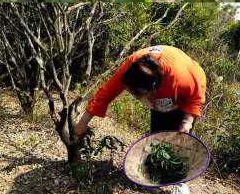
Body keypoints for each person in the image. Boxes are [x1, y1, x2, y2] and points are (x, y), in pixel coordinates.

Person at [75, 45, 207, 194]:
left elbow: (195, 98)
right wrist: (83, 122)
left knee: (180, 141)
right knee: (158, 138)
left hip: (184, 96)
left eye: (137, 95)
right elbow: (105, 93)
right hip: (159, 95)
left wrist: (187, 122)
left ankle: (179, 180)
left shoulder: (181, 77)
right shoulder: (130, 69)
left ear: (154, 89)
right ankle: (154, 177)